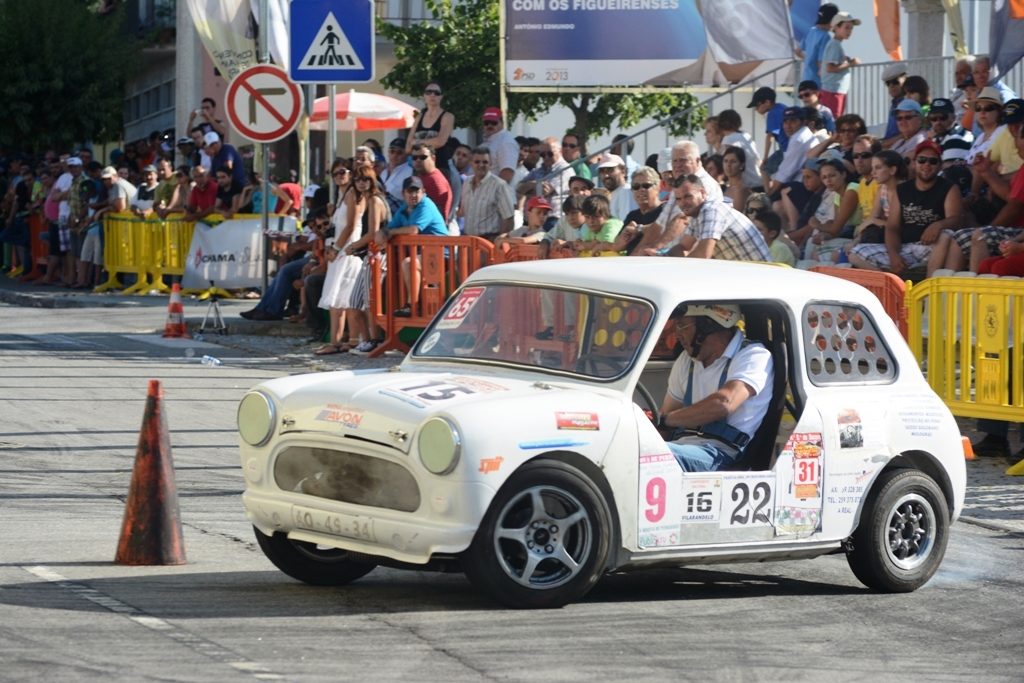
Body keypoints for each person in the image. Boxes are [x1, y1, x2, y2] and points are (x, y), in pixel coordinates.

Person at [659, 304, 774, 472]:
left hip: (721, 455)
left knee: (644, 456)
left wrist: (666, 420)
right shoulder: (686, 361)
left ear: (709, 323)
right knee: (634, 450)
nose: (677, 334)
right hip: (683, 448)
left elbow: (724, 402)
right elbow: (663, 421)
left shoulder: (753, 355)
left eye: (682, 325)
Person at [849, 141, 962, 274]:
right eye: (922, 160)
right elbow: (892, 227)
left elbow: (956, 220)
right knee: (855, 254)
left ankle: (929, 284)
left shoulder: (949, 188)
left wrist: (938, 225)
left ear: (939, 165)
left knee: (946, 234)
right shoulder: (902, 190)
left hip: (932, 247)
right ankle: (892, 284)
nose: (926, 164)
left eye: (933, 161)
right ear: (914, 163)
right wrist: (894, 255)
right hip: (905, 247)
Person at [375, 176, 449, 317]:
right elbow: (382, 234)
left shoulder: (426, 205)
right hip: (423, 256)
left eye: (417, 191)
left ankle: (411, 305)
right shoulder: (404, 209)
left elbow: (413, 230)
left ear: (423, 192)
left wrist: (389, 232)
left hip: (442, 255)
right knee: (404, 263)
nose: (413, 195)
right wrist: (382, 234)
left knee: (409, 263)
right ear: (403, 193)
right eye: (410, 191)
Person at [671, 174, 770, 261]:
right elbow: (683, 246)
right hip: (747, 275)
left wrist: (675, 269)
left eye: (688, 196)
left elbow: (703, 255)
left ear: (703, 193)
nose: (683, 203)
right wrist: (663, 258)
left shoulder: (711, 210)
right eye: (678, 199)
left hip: (760, 277)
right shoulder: (697, 213)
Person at [459, 146, 515, 241]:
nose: (481, 165)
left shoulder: (499, 185)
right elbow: (463, 212)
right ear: (471, 163)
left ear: (491, 164)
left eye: (485, 162)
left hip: (488, 242)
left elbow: (509, 218)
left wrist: (498, 243)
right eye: (477, 162)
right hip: (468, 241)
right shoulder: (466, 182)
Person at [405, 81, 456, 174]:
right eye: (429, 92)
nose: (432, 95)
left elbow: (440, 141)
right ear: (424, 95)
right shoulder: (419, 116)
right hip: (418, 169)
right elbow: (408, 147)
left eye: (437, 93)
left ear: (441, 96)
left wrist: (417, 142)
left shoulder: (448, 116)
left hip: (440, 167)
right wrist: (431, 142)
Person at [819, 11, 860, 117]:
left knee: (836, 120)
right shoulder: (835, 45)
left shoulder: (835, 44)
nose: (849, 31)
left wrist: (845, 61)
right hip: (832, 91)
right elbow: (830, 68)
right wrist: (851, 63)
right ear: (836, 27)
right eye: (846, 27)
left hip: (835, 91)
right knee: (834, 121)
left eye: (851, 28)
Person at [748, 87, 790, 177]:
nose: (756, 109)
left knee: (765, 169)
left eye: (757, 105)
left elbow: (769, 136)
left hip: (787, 149)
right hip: (793, 146)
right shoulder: (782, 107)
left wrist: (765, 158)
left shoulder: (772, 114)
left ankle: (770, 191)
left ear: (767, 102)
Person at [795, 3, 839, 88]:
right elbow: (821, 64)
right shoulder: (825, 37)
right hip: (817, 83)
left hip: (806, 78)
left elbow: (798, 51)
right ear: (832, 19)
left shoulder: (811, 30)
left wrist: (809, 59)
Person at [410, 142, 452, 220]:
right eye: (414, 158)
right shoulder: (422, 175)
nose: (418, 160)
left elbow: (436, 214)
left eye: (423, 157)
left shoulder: (435, 181)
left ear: (433, 158)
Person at [480, 107, 518, 183]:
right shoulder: (490, 140)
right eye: (486, 123)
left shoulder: (506, 142)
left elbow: (507, 173)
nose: (489, 126)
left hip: (494, 192)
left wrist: (494, 193)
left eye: (494, 123)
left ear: (502, 123)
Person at [596, 152, 637, 220]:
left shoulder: (626, 191)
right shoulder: (616, 193)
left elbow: (627, 223)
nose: (606, 175)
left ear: (623, 171)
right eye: (602, 171)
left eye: (610, 170)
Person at [380, 137, 411, 212]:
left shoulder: (410, 172)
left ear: (406, 154)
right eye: (392, 151)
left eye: (399, 152)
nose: (394, 155)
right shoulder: (383, 172)